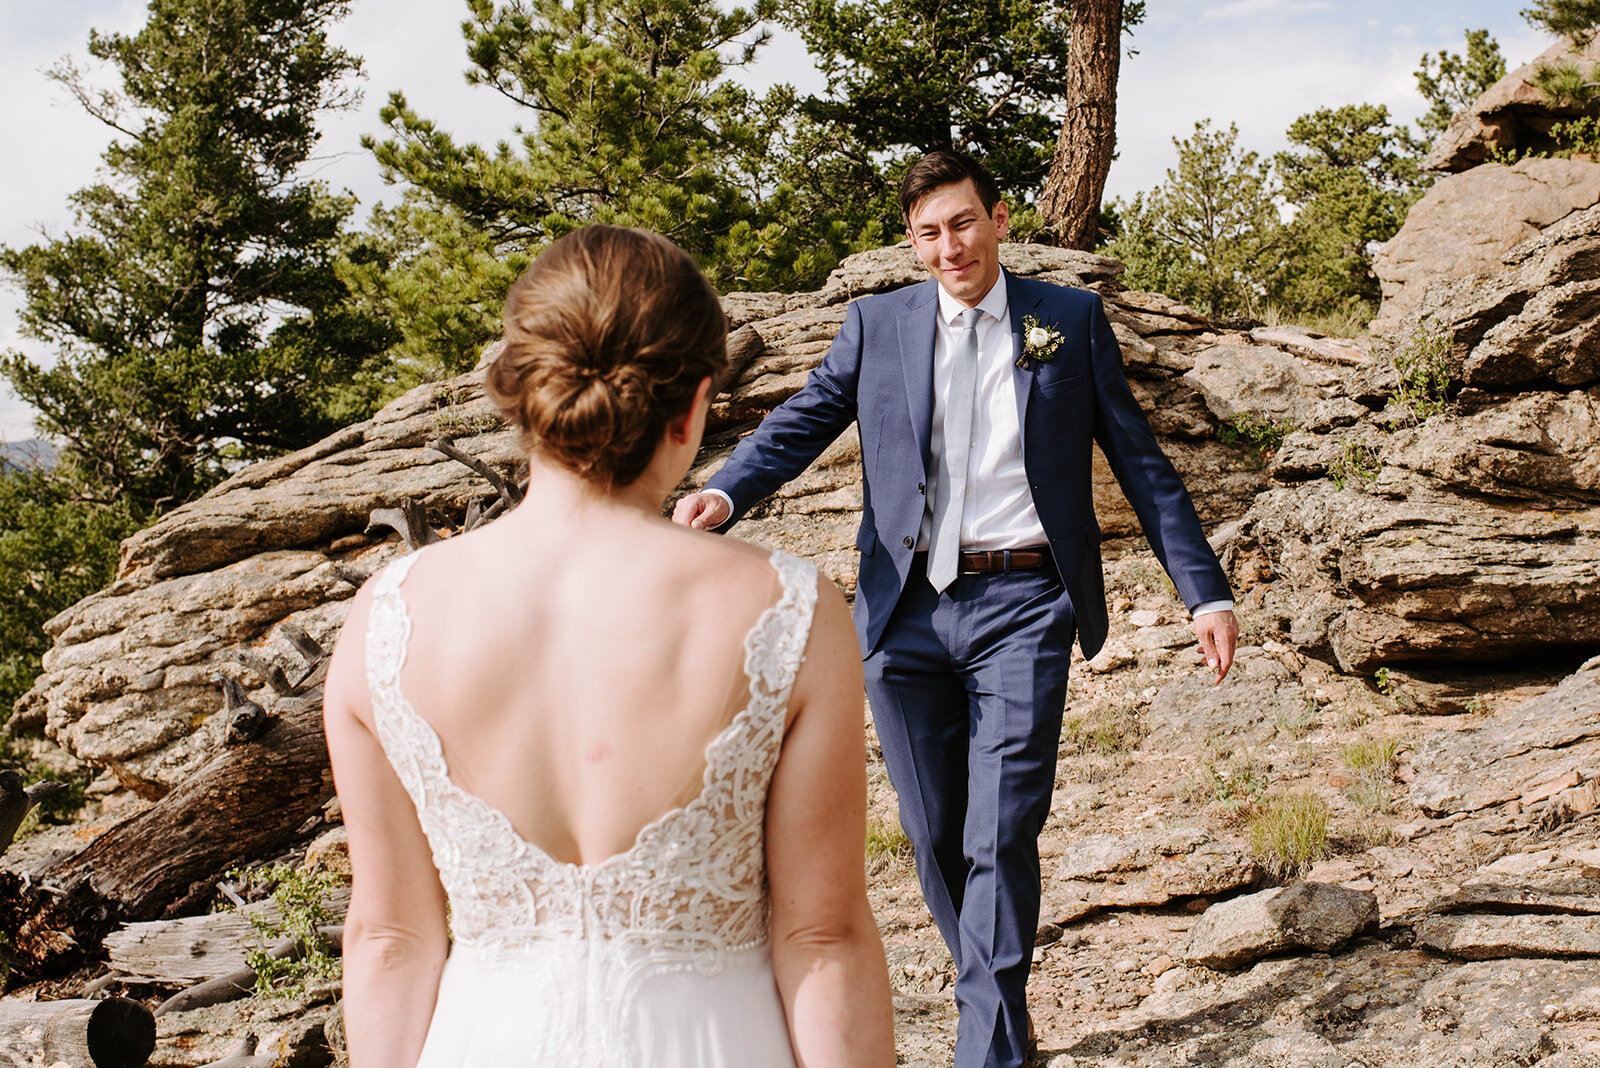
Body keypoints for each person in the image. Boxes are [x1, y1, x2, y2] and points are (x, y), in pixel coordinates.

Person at [674, 150, 1238, 1068]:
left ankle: (990, 1050)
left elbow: (1141, 460)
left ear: (1001, 218)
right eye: (930, 232)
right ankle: (1000, 1008)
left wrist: (1201, 589)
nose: (950, 247)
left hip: (1025, 600)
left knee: (1003, 822)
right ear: (912, 241)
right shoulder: (878, 323)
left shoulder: (1068, 319)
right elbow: (808, 415)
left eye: (964, 223)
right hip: (903, 613)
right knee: (934, 830)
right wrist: (727, 493)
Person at [324, 224, 895, 1068]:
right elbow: (823, 935)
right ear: (697, 402)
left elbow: (388, 940)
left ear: (513, 387)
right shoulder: (788, 609)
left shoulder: (388, 616)